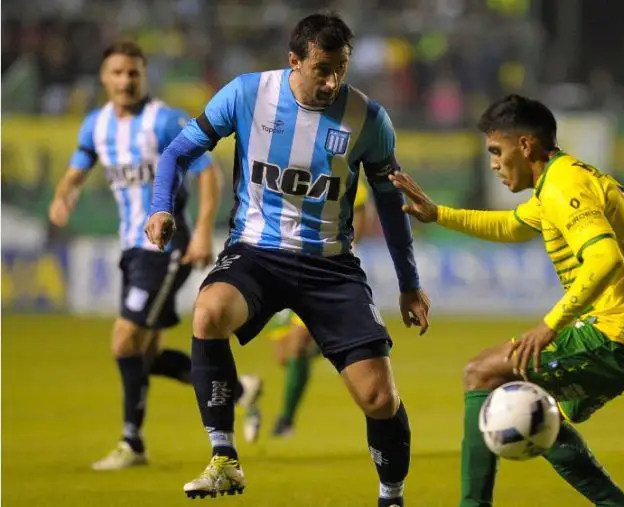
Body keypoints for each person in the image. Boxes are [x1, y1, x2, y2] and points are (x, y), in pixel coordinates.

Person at [145, 12, 431, 505]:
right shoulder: (246, 94)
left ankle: (392, 495)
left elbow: (390, 204)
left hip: (331, 266)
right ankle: (224, 460)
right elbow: (175, 153)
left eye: (341, 67)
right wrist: (160, 208)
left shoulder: (370, 119)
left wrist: (409, 283)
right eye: (323, 68)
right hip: (257, 253)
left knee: (379, 399)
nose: (333, 80)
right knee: (209, 311)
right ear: (294, 60)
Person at [391, 94, 624, 507]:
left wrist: (549, 325)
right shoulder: (561, 180)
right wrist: (439, 215)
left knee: (482, 375)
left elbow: (605, 257)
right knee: (539, 411)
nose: (493, 163)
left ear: (524, 146)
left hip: (620, 338)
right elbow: (511, 225)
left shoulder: (563, 185)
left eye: (496, 151)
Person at [48, 41, 263, 471]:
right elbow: (79, 165)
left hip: (166, 245)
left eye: (134, 73)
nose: (126, 81)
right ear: (104, 78)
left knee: (125, 340)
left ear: (144, 76)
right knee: (142, 355)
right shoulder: (95, 125)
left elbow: (208, 175)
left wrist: (202, 231)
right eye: (118, 73)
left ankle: (133, 442)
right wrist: (63, 194)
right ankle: (240, 390)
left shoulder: (164, 122)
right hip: (131, 248)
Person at [269, 177, 371, 438]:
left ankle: (285, 421)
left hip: (323, 267)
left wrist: (345, 250)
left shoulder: (341, 169)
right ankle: (333, 344)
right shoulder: (282, 164)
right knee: (284, 355)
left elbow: (360, 214)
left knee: (298, 343)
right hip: (281, 262)